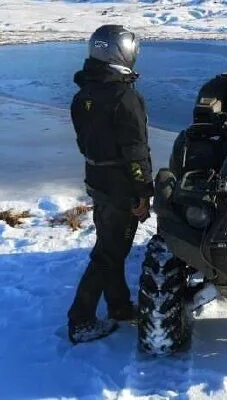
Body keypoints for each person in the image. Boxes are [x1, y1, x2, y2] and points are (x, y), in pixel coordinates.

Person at [67, 25, 153, 344]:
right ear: (123, 52)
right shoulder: (124, 96)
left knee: (110, 247)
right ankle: (81, 319)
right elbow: (136, 151)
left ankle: (119, 307)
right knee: (108, 255)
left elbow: (84, 142)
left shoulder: (84, 94)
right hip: (121, 187)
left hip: (97, 181)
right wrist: (142, 192)